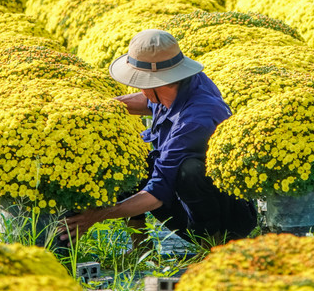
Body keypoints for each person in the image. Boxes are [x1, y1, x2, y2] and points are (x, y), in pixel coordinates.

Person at [59, 29, 257, 247]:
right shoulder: (182, 83)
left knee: (190, 170)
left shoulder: (193, 121)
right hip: (184, 197)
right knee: (133, 157)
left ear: (153, 84)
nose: (140, 89)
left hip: (227, 216)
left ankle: (213, 244)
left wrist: (98, 215)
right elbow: (149, 101)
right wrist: (104, 106)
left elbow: (156, 193)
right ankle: (140, 244)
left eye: (141, 85)